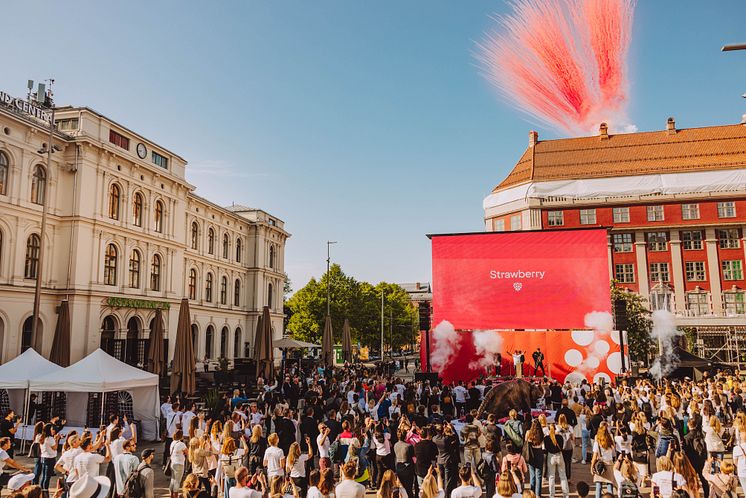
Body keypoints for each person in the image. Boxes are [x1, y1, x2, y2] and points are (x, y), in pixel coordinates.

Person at [544, 424, 569, 498]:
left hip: (551, 456)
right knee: (563, 476)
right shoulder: (559, 437)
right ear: (555, 429)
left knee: (551, 476)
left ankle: (552, 494)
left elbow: (546, 448)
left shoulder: (546, 438)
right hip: (559, 455)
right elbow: (563, 447)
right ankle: (565, 494)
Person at [525, 420, 545, 498]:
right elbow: (543, 443)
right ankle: (538, 494)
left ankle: (532, 493)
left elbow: (526, 442)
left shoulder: (528, 433)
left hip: (531, 454)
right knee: (539, 475)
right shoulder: (541, 433)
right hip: (539, 453)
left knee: (532, 475)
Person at [169, 430, 188, 498]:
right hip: (179, 464)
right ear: (181, 436)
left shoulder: (173, 443)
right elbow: (187, 452)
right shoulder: (181, 444)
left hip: (173, 463)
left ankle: (171, 495)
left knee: (173, 480)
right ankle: (176, 496)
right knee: (177, 481)